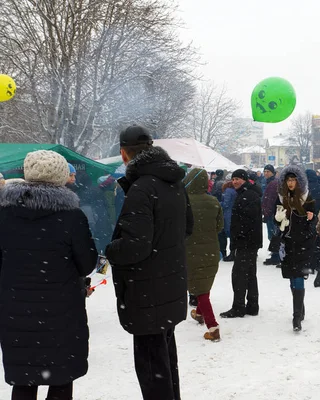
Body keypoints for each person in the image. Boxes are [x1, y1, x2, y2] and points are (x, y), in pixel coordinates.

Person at [0, 150, 98, 400]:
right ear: (62, 177)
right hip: (61, 311)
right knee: (61, 378)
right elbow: (87, 264)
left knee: (23, 379)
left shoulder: (4, 214)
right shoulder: (72, 216)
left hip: (15, 310)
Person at [105, 125, 193, 400]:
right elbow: (187, 227)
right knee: (165, 363)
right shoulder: (173, 181)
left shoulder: (142, 188)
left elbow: (135, 246)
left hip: (146, 292)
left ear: (124, 154)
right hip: (169, 285)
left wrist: (109, 249)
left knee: (152, 368)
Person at [273, 166, 316, 331]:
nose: (290, 183)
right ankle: (300, 308)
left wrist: (310, 219)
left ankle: (296, 317)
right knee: (292, 277)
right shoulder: (281, 198)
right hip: (287, 244)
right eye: (288, 180)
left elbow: (313, 221)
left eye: (293, 180)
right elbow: (277, 221)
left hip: (303, 245)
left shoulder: (307, 198)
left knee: (298, 277)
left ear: (299, 181)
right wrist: (278, 219)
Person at [183, 168, 224, 341]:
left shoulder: (183, 202)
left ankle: (213, 327)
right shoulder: (214, 201)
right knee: (204, 283)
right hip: (211, 250)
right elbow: (219, 226)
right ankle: (199, 314)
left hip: (190, 250)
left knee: (201, 290)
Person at [220, 169, 263, 318]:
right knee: (250, 274)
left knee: (239, 274)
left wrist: (238, 240)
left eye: (238, 178)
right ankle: (252, 305)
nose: (235, 181)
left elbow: (247, 221)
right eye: (233, 179)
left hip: (246, 242)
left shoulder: (247, 196)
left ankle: (238, 307)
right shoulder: (246, 194)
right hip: (250, 242)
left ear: (244, 180)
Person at [262, 164, 280, 266]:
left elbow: (271, 200)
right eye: (265, 171)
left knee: (273, 235)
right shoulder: (269, 182)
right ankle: (275, 254)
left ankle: (276, 255)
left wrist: (268, 211)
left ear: (272, 173)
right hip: (270, 212)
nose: (266, 173)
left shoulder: (274, 183)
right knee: (272, 234)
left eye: (268, 171)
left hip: (272, 213)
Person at [221, 180, 238, 261]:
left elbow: (226, 204)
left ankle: (231, 253)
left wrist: (218, 203)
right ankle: (234, 252)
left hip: (228, 214)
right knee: (233, 234)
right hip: (234, 213)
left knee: (228, 233)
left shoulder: (228, 191)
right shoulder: (235, 191)